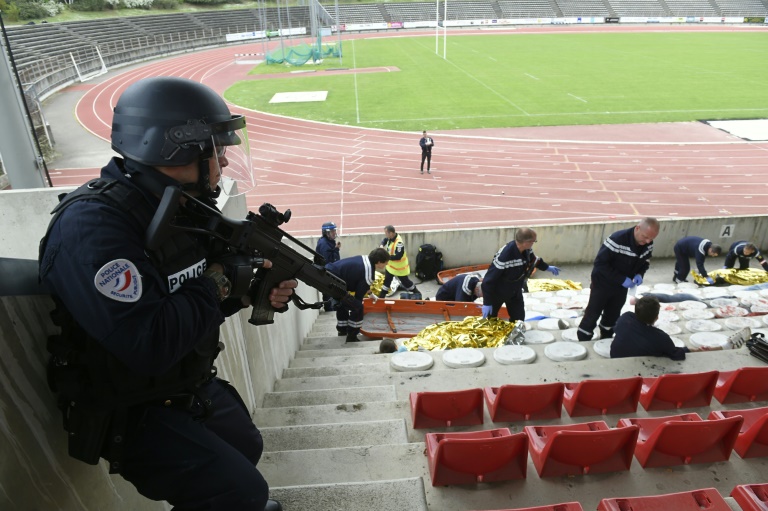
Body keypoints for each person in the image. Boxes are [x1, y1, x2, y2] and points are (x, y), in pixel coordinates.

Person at [38, 77, 295, 511]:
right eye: (217, 147)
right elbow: (149, 342)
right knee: (242, 491)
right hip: (130, 406)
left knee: (246, 445)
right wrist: (219, 282)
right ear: (175, 148)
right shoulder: (94, 229)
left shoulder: (180, 206)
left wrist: (247, 292)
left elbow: (195, 296)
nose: (225, 161)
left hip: (182, 383)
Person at [577, 218, 659, 342]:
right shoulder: (616, 240)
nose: (647, 241)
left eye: (651, 239)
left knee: (613, 313)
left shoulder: (648, 244)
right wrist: (621, 279)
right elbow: (600, 265)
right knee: (593, 312)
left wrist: (639, 274)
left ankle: (606, 337)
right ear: (637, 228)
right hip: (602, 283)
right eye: (645, 237)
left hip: (621, 287)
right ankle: (584, 337)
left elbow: (645, 262)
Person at [611, 296, 750, 359]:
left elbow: (618, 330)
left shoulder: (625, 318)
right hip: (639, 368)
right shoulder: (659, 337)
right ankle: (723, 347)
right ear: (656, 318)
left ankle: (723, 347)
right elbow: (677, 355)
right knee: (678, 352)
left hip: (616, 357)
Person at [481, 228, 561, 322]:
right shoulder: (505, 256)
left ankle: (515, 334)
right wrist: (487, 302)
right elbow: (488, 281)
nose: (533, 243)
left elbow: (533, 260)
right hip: (499, 292)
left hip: (515, 291)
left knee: (518, 320)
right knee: (489, 321)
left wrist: (546, 267)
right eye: (533, 241)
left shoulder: (527, 250)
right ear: (526, 242)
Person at [326, 248, 390, 343]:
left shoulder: (365, 259)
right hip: (333, 281)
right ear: (379, 262)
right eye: (385, 263)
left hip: (328, 274)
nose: (386, 265)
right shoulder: (369, 273)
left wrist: (370, 293)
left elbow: (360, 278)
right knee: (358, 307)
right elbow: (358, 297)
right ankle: (352, 336)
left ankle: (342, 330)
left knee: (342, 303)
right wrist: (357, 309)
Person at [377, 225, 420, 299]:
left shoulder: (399, 243)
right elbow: (384, 240)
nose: (385, 235)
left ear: (391, 233)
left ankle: (417, 293)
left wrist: (386, 257)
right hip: (390, 267)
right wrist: (381, 245)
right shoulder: (390, 238)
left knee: (406, 283)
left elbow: (398, 256)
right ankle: (381, 298)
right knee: (386, 283)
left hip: (399, 269)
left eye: (386, 233)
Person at [316, 221, 341, 310]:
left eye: (334, 230)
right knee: (329, 292)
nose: (334, 232)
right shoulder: (324, 244)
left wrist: (336, 249)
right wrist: (336, 250)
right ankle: (330, 309)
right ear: (326, 232)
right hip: (326, 274)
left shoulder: (329, 241)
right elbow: (328, 260)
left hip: (329, 272)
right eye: (332, 231)